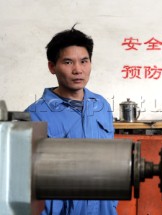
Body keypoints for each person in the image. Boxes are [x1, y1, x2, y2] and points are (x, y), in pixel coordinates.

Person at [25, 26, 118, 215]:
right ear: (52, 67)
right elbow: (25, 182)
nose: (78, 70)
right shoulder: (34, 116)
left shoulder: (101, 106)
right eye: (68, 62)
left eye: (84, 61)